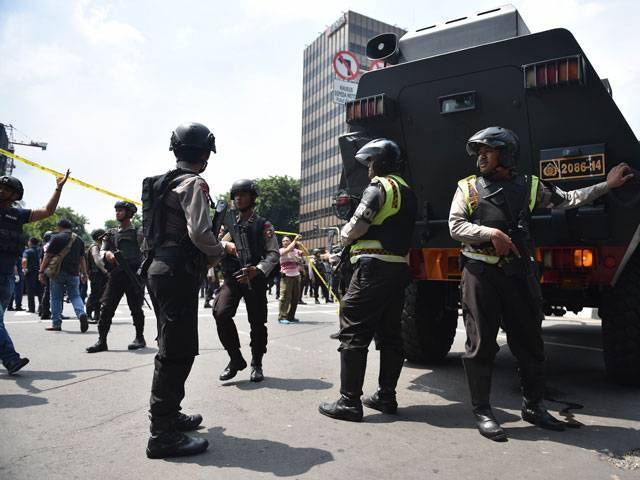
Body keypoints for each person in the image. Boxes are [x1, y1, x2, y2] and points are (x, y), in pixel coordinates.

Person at [449, 126, 634, 441]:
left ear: (506, 154)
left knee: (531, 343)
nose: (481, 157)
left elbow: (570, 199)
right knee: (480, 345)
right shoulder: (469, 188)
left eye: (487, 150)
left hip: (519, 275)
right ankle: (483, 411)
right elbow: (456, 225)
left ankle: (533, 406)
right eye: (478, 152)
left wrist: (607, 185)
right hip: (480, 274)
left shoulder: (530, 185)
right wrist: (489, 234)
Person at [142, 121, 226, 458]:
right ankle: (161, 434)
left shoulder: (161, 183)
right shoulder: (194, 183)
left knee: (170, 344)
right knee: (178, 351)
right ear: (206, 153)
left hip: (158, 268)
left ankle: (170, 415)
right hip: (177, 271)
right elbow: (201, 233)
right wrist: (219, 251)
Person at [319, 138, 417, 422]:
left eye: (371, 162)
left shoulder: (379, 187)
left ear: (382, 162)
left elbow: (360, 222)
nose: (369, 168)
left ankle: (349, 401)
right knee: (391, 334)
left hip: (373, 267)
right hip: (398, 268)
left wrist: (343, 235)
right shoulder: (408, 191)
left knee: (353, 328)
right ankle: (386, 396)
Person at [0, 171, 70, 374]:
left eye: (6, 189)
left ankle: (10, 358)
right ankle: (11, 358)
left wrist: (58, 188)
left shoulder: (18, 215)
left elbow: (48, 211)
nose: (1, 190)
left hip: (5, 278)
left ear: (15, 195)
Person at [213, 179, 280, 383]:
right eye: (236, 195)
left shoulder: (263, 224)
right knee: (221, 313)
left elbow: (273, 254)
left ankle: (256, 363)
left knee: (257, 323)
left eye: (243, 194)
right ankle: (235, 359)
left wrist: (257, 270)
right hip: (233, 278)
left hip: (255, 278)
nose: (239, 198)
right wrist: (226, 246)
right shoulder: (229, 224)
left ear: (252, 197)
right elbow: (215, 242)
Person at [86, 201, 146, 352]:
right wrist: (107, 253)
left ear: (129, 213)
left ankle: (139, 337)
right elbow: (100, 252)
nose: (118, 213)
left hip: (133, 276)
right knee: (106, 308)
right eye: (116, 210)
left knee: (136, 308)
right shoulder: (111, 233)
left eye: (121, 210)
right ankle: (102, 341)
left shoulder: (139, 233)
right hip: (116, 276)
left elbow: (146, 252)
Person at [39, 218, 89, 332]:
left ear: (59, 227)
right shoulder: (79, 240)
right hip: (74, 273)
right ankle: (81, 313)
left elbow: (48, 256)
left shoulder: (56, 238)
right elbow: (82, 259)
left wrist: (41, 271)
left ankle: (56, 324)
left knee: (56, 297)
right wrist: (84, 273)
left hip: (57, 272)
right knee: (75, 296)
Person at [278, 235, 302, 323]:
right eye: (283, 241)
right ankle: (282, 317)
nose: (285, 242)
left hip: (296, 276)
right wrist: (295, 241)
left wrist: (300, 244)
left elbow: (306, 253)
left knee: (295, 298)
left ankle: (291, 316)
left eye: (287, 240)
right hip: (286, 276)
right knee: (285, 297)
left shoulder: (295, 251)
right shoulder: (281, 250)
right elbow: (287, 250)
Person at [85, 229, 108, 323]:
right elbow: (97, 260)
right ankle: (89, 314)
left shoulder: (101, 246)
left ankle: (97, 315)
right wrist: (105, 271)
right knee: (95, 294)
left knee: (100, 295)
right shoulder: (95, 247)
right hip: (96, 274)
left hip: (100, 274)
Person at [22, 237, 42, 313]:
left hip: (30, 273)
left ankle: (31, 308)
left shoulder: (27, 251)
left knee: (30, 291)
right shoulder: (40, 250)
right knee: (40, 291)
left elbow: (24, 260)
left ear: (30, 242)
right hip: (40, 272)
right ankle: (41, 307)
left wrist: (24, 269)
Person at [39, 230, 53, 320]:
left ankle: (43, 311)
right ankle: (45, 312)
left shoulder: (44, 246)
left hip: (45, 271)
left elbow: (41, 260)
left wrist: (41, 271)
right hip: (52, 271)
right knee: (50, 292)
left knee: (46, 291)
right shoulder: (52, 246)